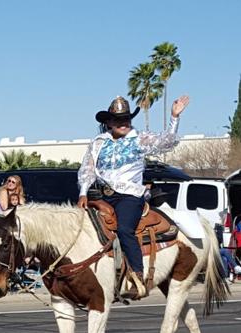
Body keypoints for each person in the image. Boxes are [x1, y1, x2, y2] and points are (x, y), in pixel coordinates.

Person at [77, 95, 189, 299]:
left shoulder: (139, 138)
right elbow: (88, 168)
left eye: (126, 119)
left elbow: (166, 142)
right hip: (102, 195)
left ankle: (137, 276)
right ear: (109, 122)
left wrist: (174, 117)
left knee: (125, 229)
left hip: (129, 196)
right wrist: (83, 192)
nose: (123, 123)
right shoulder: (98, 142)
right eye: (118, 119)